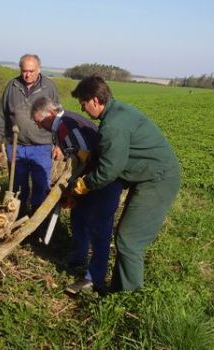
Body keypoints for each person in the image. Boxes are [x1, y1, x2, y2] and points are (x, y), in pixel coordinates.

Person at [71, 75, 180, 292]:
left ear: (94, 100)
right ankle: (120, 289)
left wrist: (84, 185)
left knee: (130, 239)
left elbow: (109, 170)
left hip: (158, 180)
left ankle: (130, 297)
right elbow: (114, 152)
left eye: (83, 104)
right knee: (125, 236)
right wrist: (91, 156)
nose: (83, 110)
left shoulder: (113, 124)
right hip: (148, 176)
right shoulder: (116, 113)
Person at [31, 97, 122, 294]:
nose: (40, 127)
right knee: (79, 216)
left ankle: (94, 279)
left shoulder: (64, 125)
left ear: (51, 114)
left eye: (40, 122)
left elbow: (87, 159)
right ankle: (79, 257)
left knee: (99, 227)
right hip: (92, 179)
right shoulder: (64, 123)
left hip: (103, 180)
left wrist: (78, 189)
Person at [0, 54, 62, 219]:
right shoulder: (12, 86)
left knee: (41, 186)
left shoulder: (49, 87)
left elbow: (58, 117)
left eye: (31, 71)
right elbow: (2, 115)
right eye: (24, 71)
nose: (27, 75)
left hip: (42, 147)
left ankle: (37, 223)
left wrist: (58, 144)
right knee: (17, 188)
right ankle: (16, 219)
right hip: (16, 146)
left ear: (39, 70)